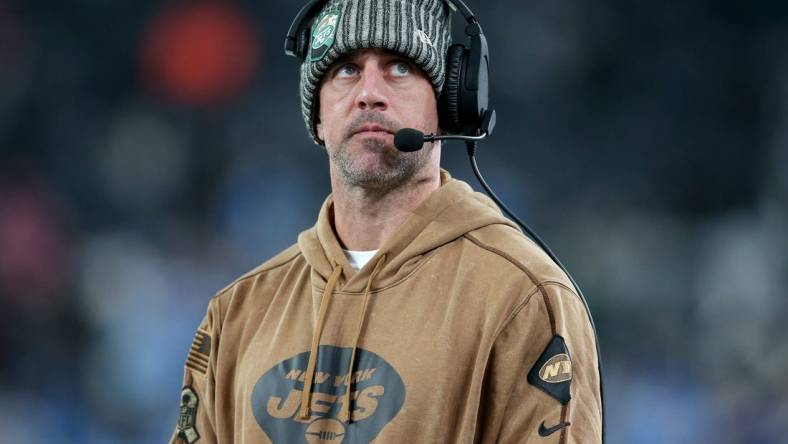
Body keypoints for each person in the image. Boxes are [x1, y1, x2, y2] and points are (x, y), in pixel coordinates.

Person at [170, 0, 602, 442]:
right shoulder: (236, 312)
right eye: (345, 70)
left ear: (449, 104)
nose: (369, 92)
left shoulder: (521, 296)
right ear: (318, 116)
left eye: (399, 68)